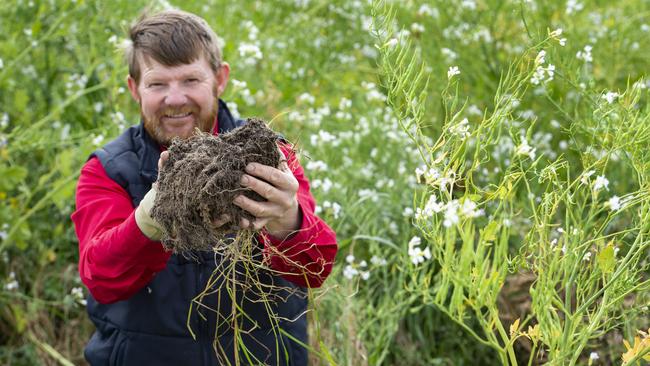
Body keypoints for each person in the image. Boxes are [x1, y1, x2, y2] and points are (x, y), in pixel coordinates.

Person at [71, 9, 337, 366]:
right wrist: (146, 224)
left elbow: (315, 269)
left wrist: (288, 220)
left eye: (191, 80)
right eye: (158, 84)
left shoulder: (269, 155)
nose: (175, 98)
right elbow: (100, 279)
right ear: (134, 88)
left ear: (219, 78)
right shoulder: (109, 171)